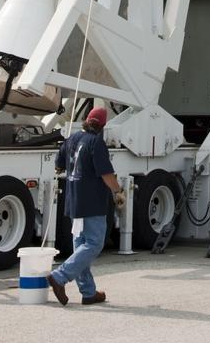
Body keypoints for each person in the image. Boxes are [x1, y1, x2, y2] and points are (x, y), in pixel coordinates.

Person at [48, 107, 125, 307]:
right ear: (102, 126)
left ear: (86, 120)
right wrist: (118, 191)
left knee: (81, 245)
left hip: (75, 200)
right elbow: (106, 174)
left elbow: (59, 165)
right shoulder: (96, 142)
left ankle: (88, 292)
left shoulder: (71, 138)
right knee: (94, 244)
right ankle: (59, 276)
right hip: (92, 202)